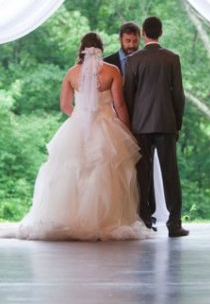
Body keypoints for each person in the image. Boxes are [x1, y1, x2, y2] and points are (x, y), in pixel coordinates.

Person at [17, 33, 152, 241]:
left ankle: (71, 219)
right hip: (107, 126)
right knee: (109, 172)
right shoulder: (112, 71)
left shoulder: (72, 73)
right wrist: (127, 130)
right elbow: (120, 104)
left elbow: (64, 105)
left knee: (72, 172)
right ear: (100, 49)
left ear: (81, 50)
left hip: (77, 128)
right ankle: (106, 220)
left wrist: (81, 116)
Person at [124, 16, 188, 237]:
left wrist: (131, 123)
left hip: (140, 125)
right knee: (171, 174)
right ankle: (174, 224)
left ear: (143, 33)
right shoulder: (172, 58)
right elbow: (178, 95)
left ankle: (144, 220)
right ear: (161, 32)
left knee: (143, 174)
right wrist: (177, 123)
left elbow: (128, 95)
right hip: (166, 122)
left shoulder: (133, 60)